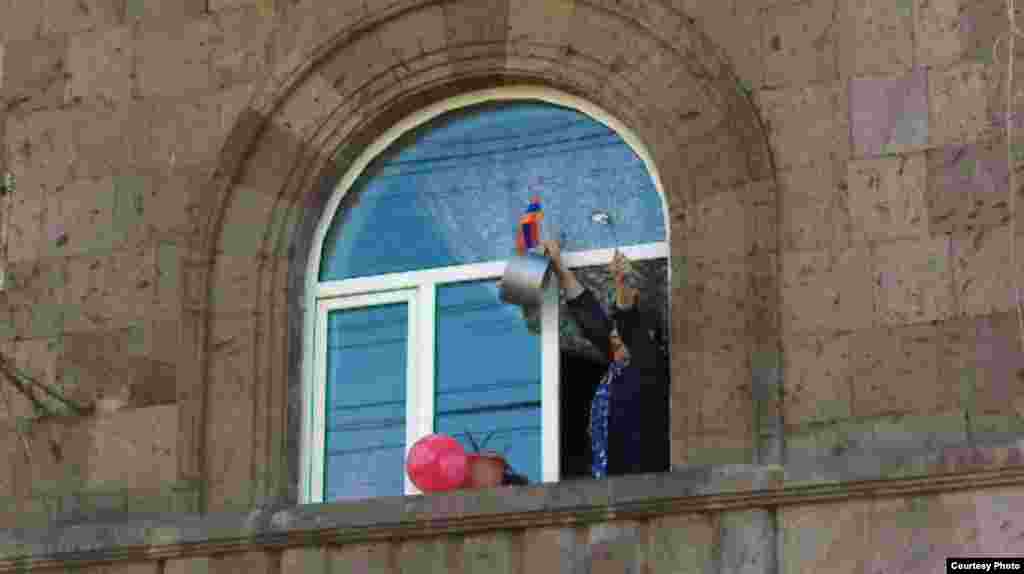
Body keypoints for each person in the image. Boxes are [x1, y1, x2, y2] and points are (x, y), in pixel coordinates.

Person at [540, 239, 670, 478]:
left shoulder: (651, 366)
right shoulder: (619, 362)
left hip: (640, 491)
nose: (612, 335)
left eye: (618, 332)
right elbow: (588, 313)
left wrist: (622, 284)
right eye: (612, 332)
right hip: (608, 488)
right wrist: (559, 267)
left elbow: (628, 321)